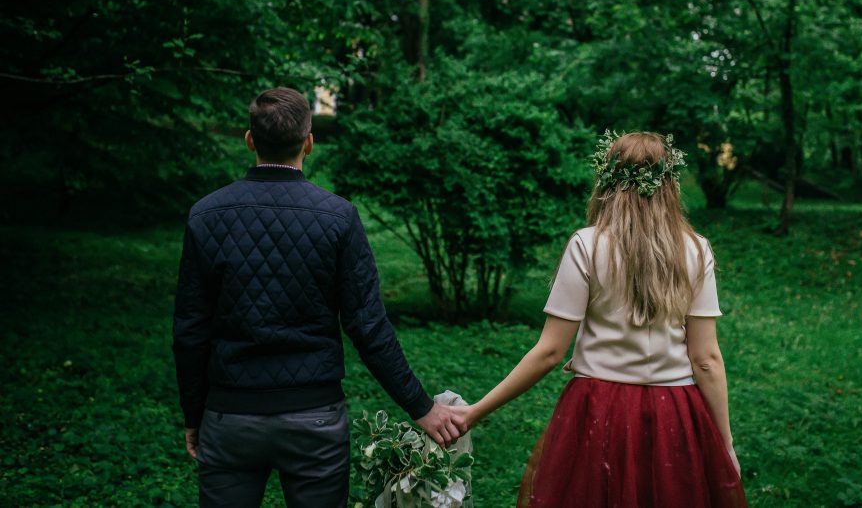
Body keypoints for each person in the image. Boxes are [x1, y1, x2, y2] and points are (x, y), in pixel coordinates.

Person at [172, 87, 466, 507]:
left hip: (229, 416)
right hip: (315, 420)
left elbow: (189, 329)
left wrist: (193, 413)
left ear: (250, 140)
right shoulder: (338, 218)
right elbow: (368, 326)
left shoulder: (206, 215)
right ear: (309, 142)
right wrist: (421, 407)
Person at [453, 131, 747, 507]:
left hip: (598, 410)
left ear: (607, 181)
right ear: (670, 184)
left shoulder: (587, 245)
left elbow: (549, 352)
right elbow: (705, 359)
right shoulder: (695, 248)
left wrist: (475, 411)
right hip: (673, 413)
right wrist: (724, 444)